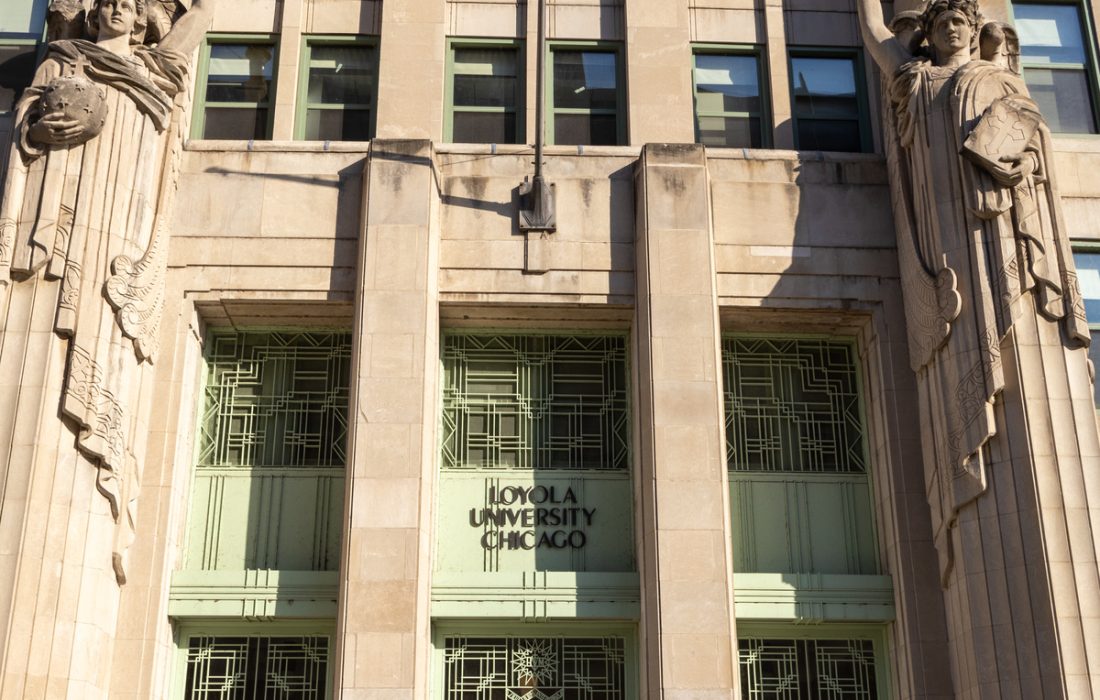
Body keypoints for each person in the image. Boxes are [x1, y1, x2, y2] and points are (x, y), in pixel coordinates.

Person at [856, 0, 1089, 572]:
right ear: (930, 36)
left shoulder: (999, 79)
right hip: (947, 247)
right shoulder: (916, 79)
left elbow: (1027, 146)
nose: (951, 30)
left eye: (960, 22)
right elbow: (872, 31)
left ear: (973, 29)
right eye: (940, 25)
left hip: (1003, 227)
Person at [0, 0, 214, 582]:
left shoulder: (152, 72)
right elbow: (25, 119)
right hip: (59, 214)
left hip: (117, 213)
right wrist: (37, 126)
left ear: (145, 19)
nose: (117, 8)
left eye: (130, 3)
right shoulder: (62, 61)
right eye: (108, 2)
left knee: (96, 329)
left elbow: (192, 30)